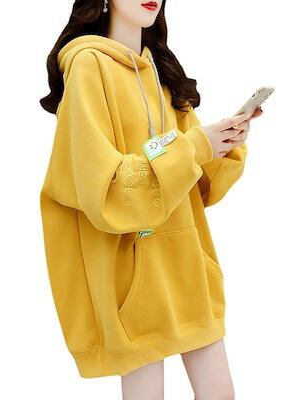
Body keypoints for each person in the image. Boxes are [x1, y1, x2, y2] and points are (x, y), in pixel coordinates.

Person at [39, 0, 263, 399]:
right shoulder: (88, 66)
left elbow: (199, 188)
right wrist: (195, 147)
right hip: (132, 284)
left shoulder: (162, 69)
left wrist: (223, 142)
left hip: (188, 271)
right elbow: (105, 190)